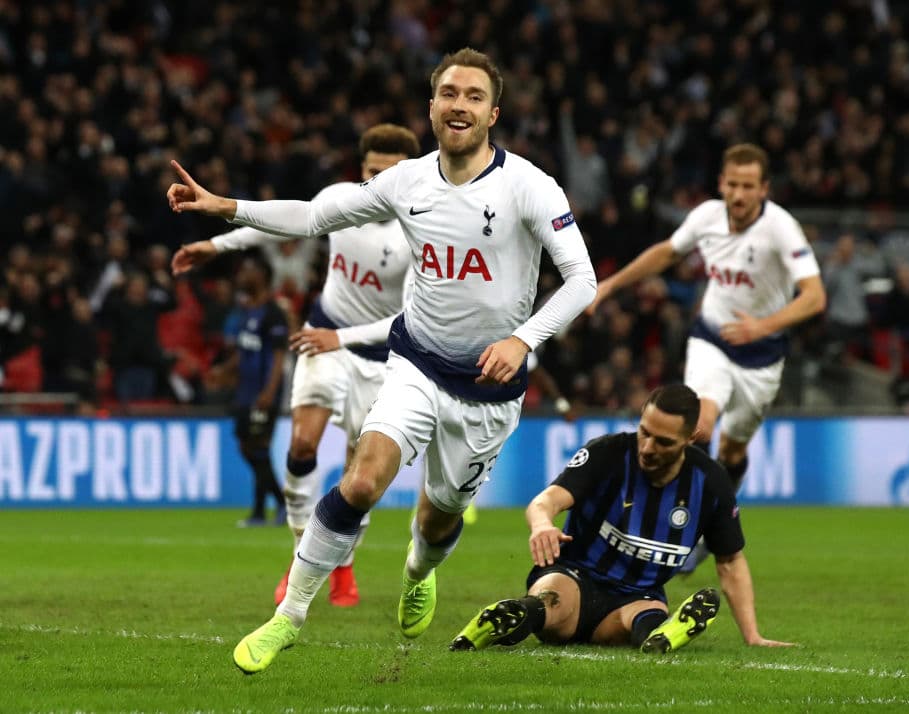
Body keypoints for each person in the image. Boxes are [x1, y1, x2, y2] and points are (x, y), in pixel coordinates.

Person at [166, 47, 597, 673]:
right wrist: (228, 207)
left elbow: (582, 280)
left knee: (439, 518)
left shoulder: (529, 186)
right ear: (431, 106)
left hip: (488, 388)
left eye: (474, 96)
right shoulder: (407, 180)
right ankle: (288, 619)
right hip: (416, 361)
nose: (460, 105)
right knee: (363, 480)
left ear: (493, 113)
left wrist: (522, 339)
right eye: (449, 93)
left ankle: (418, 571)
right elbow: (315, 216)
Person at [172, 124, 421, 608]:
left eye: (388, 176)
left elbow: (407, 316)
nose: (377, 184)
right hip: (322, 337)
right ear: (361, 169)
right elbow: (290, 220)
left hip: (379, 358)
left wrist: (341, 338)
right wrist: (217, 246)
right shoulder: (344, 200)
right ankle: (299, 558)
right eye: (371, 172)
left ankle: (343, 564)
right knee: (302, 444)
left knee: (359, 478)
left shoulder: (421, 234)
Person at [450, 384, 792, 652]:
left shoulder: (711, 483)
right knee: (551, 600)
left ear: (690, 439)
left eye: (663, 441)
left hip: (636, 596)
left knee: (644, 615)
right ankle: (508, 619)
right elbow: (547, 500)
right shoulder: (608, 453)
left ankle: (663, 635)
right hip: (575, 577)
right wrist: (542, 524)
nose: (647, 447)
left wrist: (753, 636)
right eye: (644, 432)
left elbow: (730, 561)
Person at [589, 144, 826, 497]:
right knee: (700, 428)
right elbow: (668, 252)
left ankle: (716, 518)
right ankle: (681, 521)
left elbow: (815, 296)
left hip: (761, 354)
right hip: (712, 337)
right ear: (721, 183)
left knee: (732, 451)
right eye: (732, 184)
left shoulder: (781, 228)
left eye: (748, 186)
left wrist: (763, 326)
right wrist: (609, 285)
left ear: (764, 189)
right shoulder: (707, 216)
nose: (738, 194)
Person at [223, 253, 289, 527]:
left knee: (258, 447)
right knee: (246, 445)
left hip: (263, 392)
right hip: (245, 391)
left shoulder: (274, 313)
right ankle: (262, 511)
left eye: (248, 269)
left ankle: (280, 506)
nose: (242, 275)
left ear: (262, 276)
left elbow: (278, 356)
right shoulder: (247, 311)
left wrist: (269, 392)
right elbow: (246, 349)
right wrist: (225, 369)